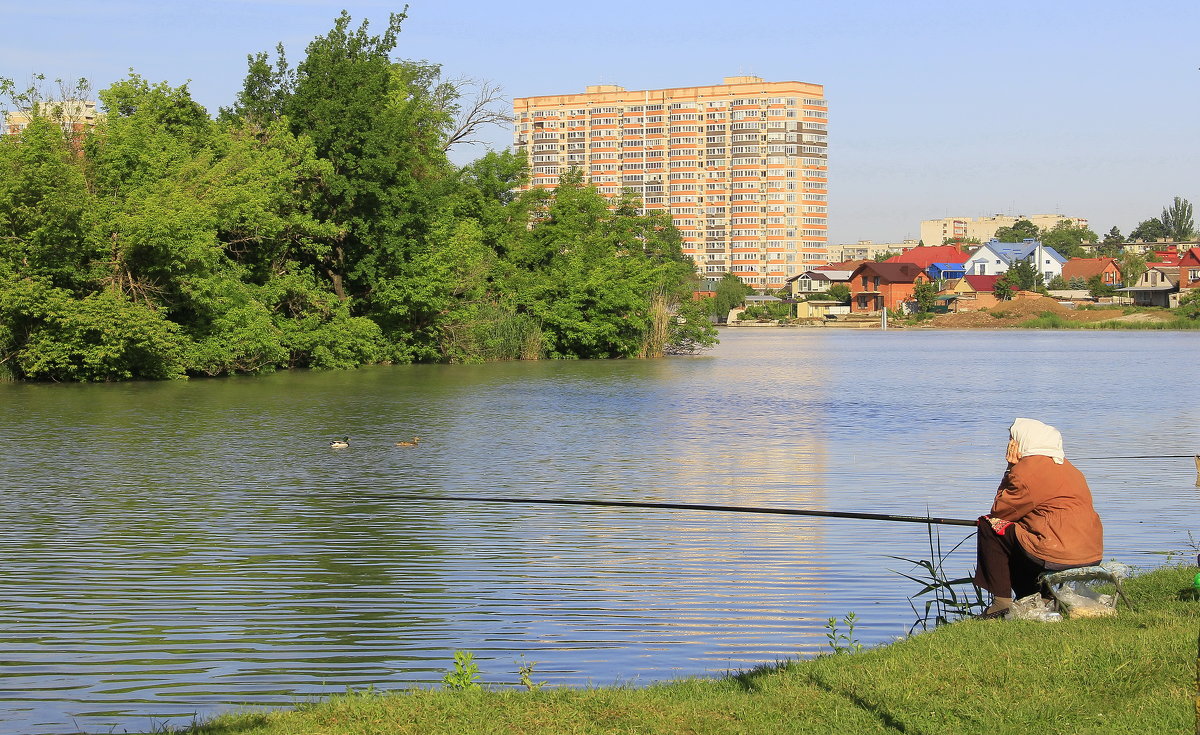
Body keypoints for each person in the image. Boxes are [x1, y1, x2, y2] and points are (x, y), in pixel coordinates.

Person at [975, 418, 1103, 619]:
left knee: (990, 526)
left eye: (1012, 440)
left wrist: (1010, 467)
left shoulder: (1026, 470)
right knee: (1019, 534)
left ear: (1024, 441)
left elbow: (999, 511)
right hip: (1090, 551)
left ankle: (1001, 603)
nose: (1009, 445)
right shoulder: (1069, 469)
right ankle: (1037, 597)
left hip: (1057, 552)